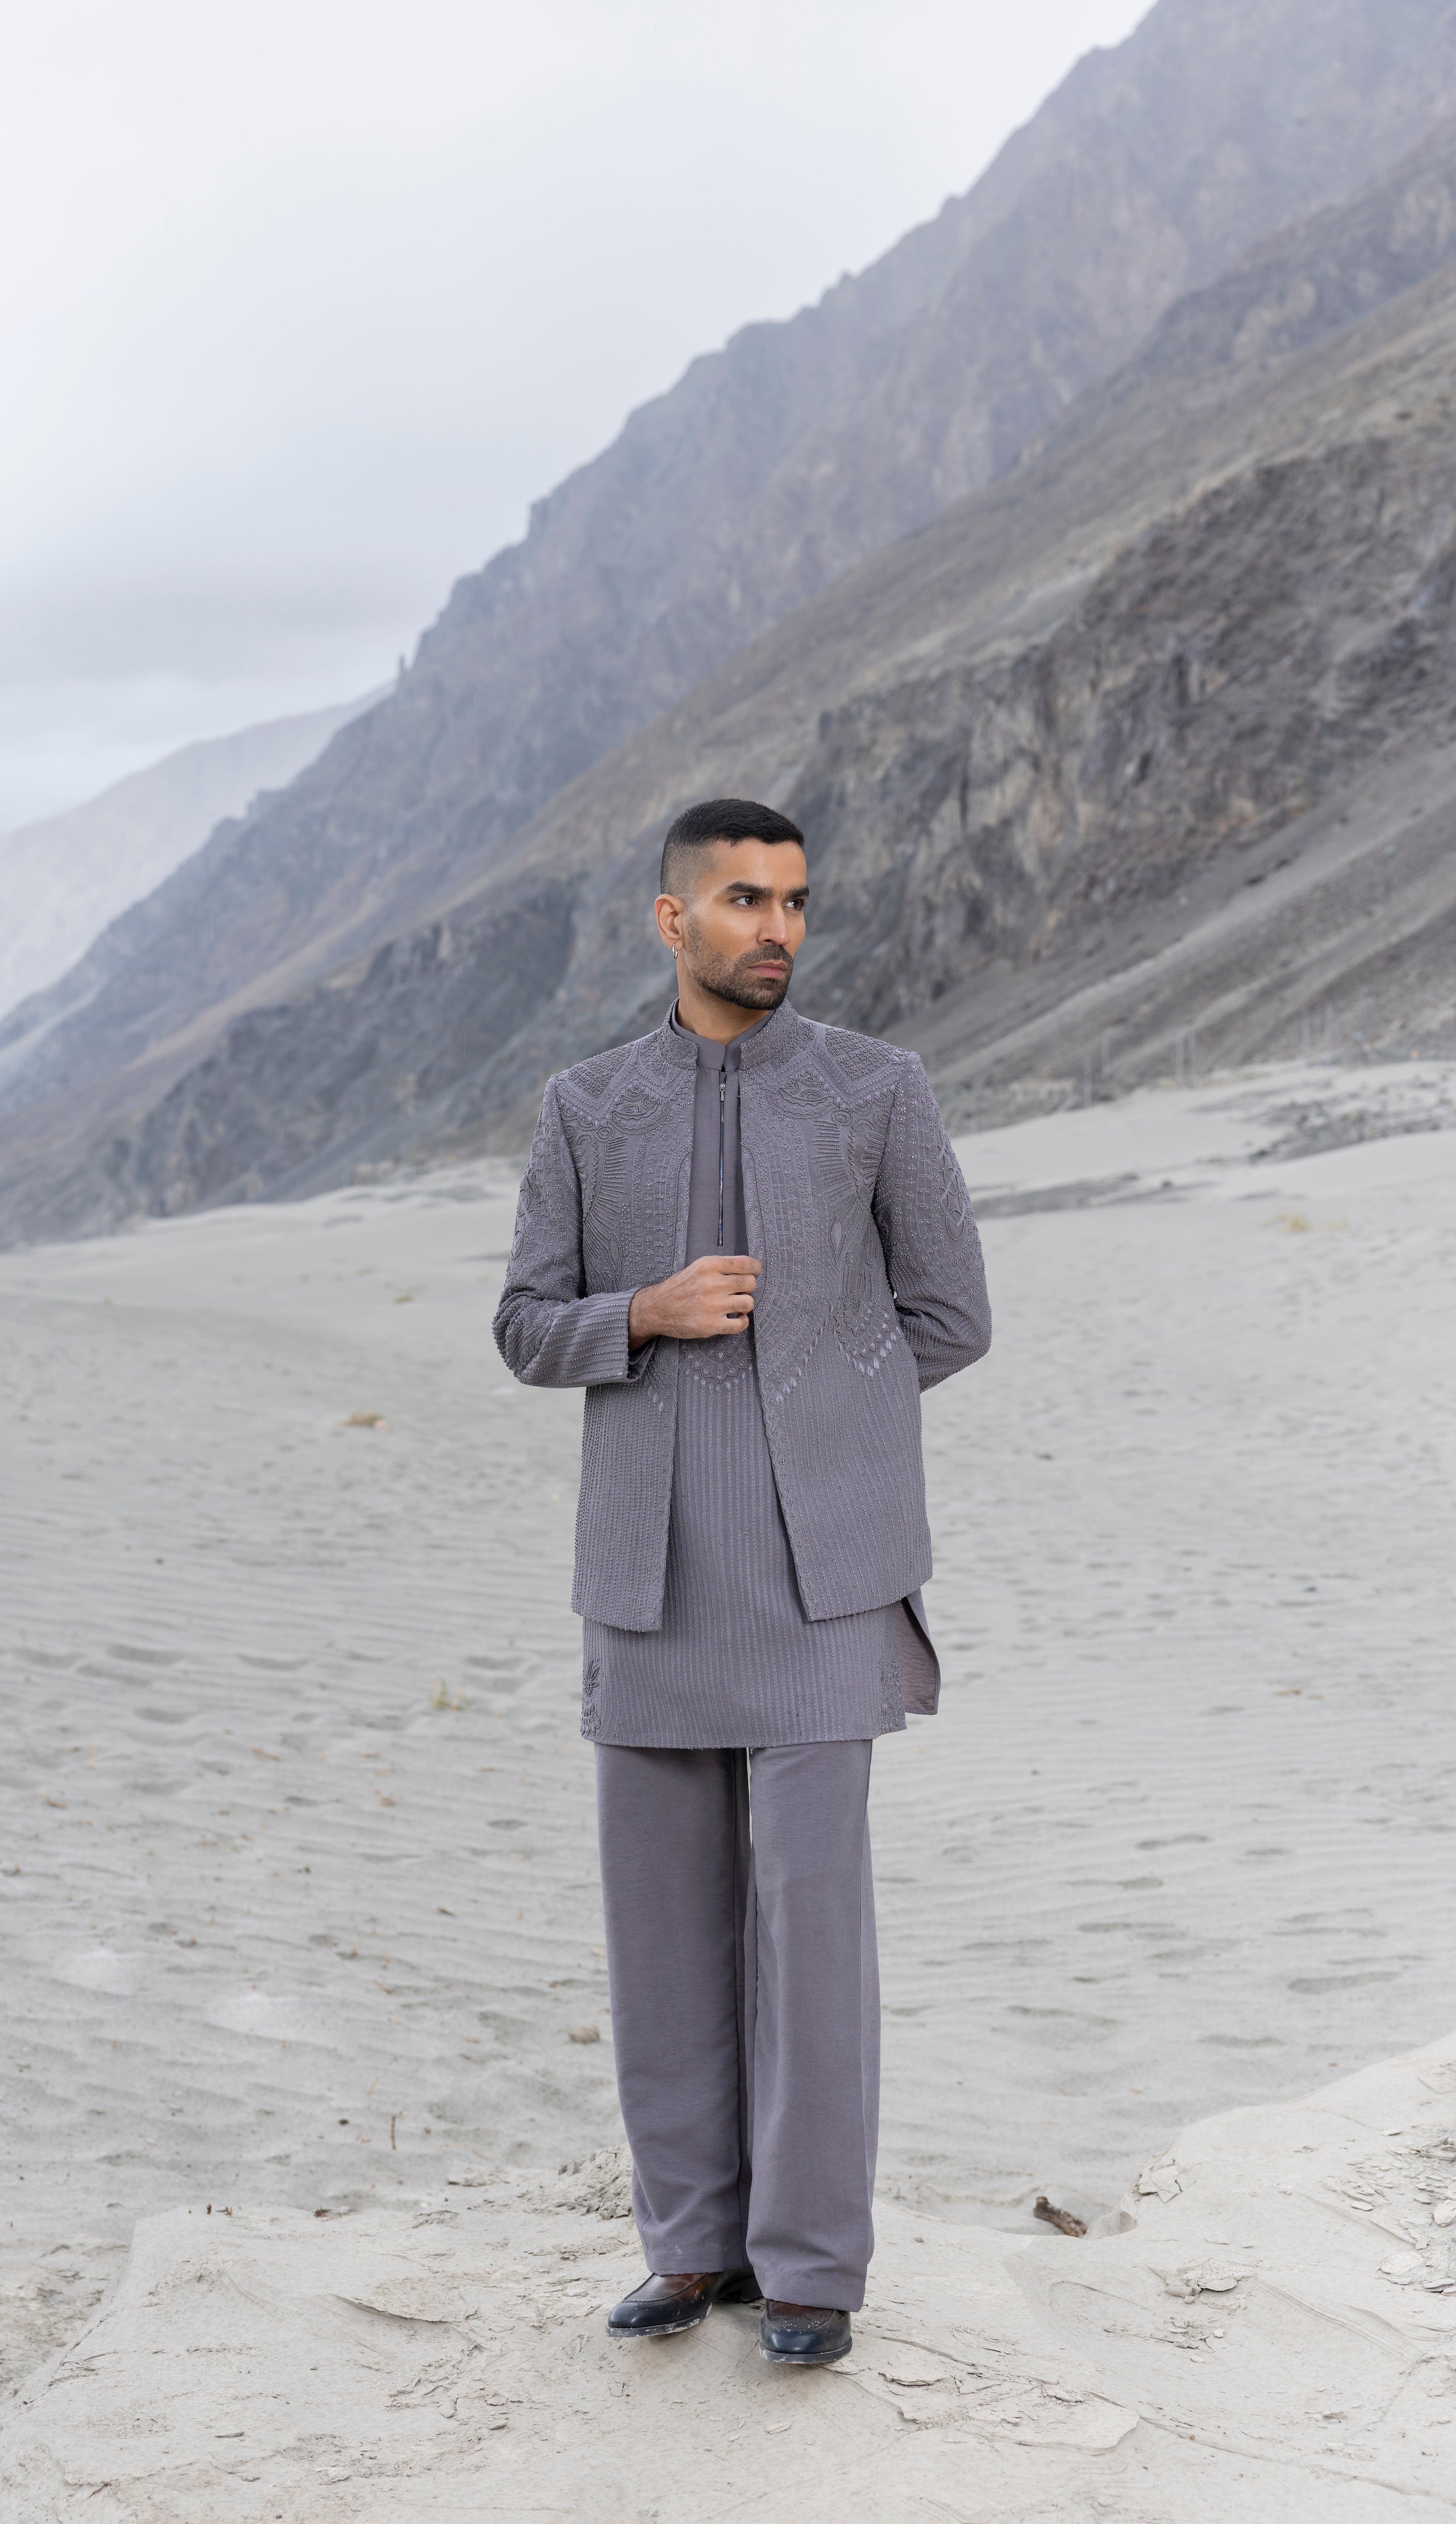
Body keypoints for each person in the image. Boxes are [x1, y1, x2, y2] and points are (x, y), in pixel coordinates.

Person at [494, 797, 989, 2366]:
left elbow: (950, 1310)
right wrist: (638, 1310)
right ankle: (690, 2247)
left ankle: (814, 2271)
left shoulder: (874, 1089)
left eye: (792, 901)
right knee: (661, 1931)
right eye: (743, 901)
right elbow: (521, 1325)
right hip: (643, 1583)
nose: (776, 926)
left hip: (821, 1585)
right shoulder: (585, 1107)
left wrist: (821, 1406)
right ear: (672, 919)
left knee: (812, 1929)